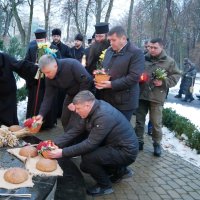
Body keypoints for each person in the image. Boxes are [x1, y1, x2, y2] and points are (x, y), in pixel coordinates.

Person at [45, 90, 139, 196]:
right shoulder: (93, 109)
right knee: (86, 160)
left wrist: (62, 153)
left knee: (88, 160)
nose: (76, 111)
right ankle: (120, 171)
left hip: (125, 151)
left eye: (78, 108)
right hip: (117, 146)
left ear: (87, 105)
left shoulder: (103, 116)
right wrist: (54, 143)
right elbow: (75, 130)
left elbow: (90, 144)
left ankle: (105, 186)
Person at [135, 38, 181, 156]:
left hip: (157, 97)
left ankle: (156, 144)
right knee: (139, 121)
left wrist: (163, 82)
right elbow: (135, 71)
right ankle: (138, 141)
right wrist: (139, 77)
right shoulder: (143, 58)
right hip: (142, 94)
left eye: (155, 48)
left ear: (162, 47)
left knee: (156, 123)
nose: (152, 50)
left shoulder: (169, 61)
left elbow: (176, 76)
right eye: (150, 47)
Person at [94, 26, 144, 121]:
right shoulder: (109, 51)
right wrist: (100, 75)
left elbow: (134, 77)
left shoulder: (136, 53)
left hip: (124, 102)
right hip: (107, 98)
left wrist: (112, 84)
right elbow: (106, 68)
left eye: (114, 40)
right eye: (109, 40)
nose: (111, 43)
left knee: (119, 132)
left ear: (123, 39)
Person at [35, 54, 92, 132]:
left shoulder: (72, 64)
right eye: (44, 73)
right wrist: (41, 114)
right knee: (65, 119)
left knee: (75, 121)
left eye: (48, 72)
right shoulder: (49, 77)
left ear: (55, 65)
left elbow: (87, 81)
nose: (47, 76)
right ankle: (68, 137)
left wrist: (78, 101)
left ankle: (77, 140)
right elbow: (48, 97)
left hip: (85, 93)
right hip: (70, 95)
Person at [25, 28, 60, 130]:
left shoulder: (53, 48)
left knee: (48, 99)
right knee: (35, 100)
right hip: (36, 82)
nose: (40, 43)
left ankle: (47, 123)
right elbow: (26, 62)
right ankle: (33, 122)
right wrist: (34, 66)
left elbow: (58, 62)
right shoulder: (32, 48)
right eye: (38, 41)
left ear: (46, 38)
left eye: (41, 40)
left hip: (48, 80)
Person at [0, 52, 37, 126]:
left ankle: (10, 133)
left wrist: (35, 69)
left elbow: (19, 65)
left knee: (9, 118)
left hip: (8, 94)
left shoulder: (4, 57)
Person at [51, 28, 72, 117]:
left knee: (61, 94)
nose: (56, 38)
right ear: (52, 36)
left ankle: (60, 113)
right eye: (54, 36)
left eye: (57, 36)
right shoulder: (48, 47)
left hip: (62, 74)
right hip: (51, 73)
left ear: (60, 37)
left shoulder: (66, 48)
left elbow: (70, 59)